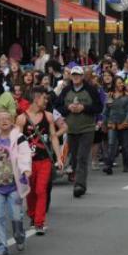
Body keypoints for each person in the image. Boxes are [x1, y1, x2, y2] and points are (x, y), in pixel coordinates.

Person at [17, 86, 63, 234]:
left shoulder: (48, 116)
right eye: (44, 98)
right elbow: (16, 140)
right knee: (30, 192)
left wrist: (59, 157)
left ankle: (39, 222)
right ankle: (32, 216)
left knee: (41, 190)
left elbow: (54, 137)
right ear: (36, 99)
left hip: (44, 160)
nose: (46, 101)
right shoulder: (22, 118)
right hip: (28, 162)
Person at [54, 66, 104, 198]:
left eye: (78, 75)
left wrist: (84, 108)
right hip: (71, 129)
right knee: (74, 158)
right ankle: (77, 178)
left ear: (82, 77)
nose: (76, 77)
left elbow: (99, 107)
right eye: (73, 75)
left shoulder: (91, 90)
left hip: (87, 128)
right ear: (70, 76)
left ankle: (80, 185)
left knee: (82, 156)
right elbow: (57, 107)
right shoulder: (66, 90)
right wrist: (68, 108)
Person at [0, 111, 32, 255]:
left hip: (14, 184)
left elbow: (25, 154)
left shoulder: (18, 137)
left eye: (7, 119)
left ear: (12, 121)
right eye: (0, 119)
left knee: (16, 215)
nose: (4, 121)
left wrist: (26, 169)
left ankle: (19, 236)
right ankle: (1, 247)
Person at [102, 76, 128, 175]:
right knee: (111, 145)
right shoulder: (110, 96)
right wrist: (105, 122)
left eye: (122, 83)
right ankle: (108, 166)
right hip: (112, 124)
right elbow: (105, 111)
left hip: (124, 125)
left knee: (125, 146)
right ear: (115, 84)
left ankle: (127, 165)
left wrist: (126, 122)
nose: (121, 84)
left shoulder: (127, 97)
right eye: (119, 83)